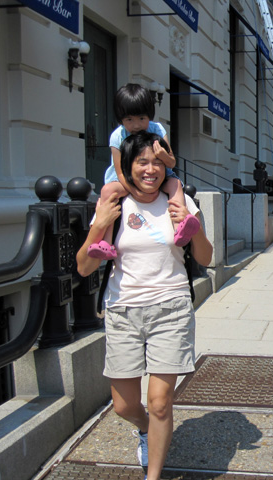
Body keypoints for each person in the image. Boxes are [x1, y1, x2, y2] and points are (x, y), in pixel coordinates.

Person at [76, 131, 213, 480]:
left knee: (159, 402)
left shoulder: (177, 200)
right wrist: (100, 227)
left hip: (171, 307)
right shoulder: (113, 203)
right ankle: (146, 430)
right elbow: (83, 266)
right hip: (123, 310)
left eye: (156, 162)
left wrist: (190, 224)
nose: (150, 170)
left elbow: (206, 257)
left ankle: (153, 475)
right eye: (141, 162)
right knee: (123, 405)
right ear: (127, 165)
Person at [88, 83, 199, 260]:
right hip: (126, 179)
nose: (136, 125)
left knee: (175, 184)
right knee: (107, 191)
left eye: (141, 118)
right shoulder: (117, 136)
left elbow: (171, 163)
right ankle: (106, 243)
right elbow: (120, 171)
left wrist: (163, 154)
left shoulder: (157, 129)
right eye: (129, 120)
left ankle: (179, 226)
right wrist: (136, 192)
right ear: (121, 119)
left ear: (150, 115)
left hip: (158, 177)